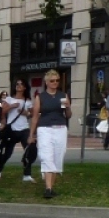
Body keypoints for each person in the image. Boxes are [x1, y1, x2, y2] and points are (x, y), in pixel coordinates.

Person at [29, 69, 71, 199]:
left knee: (58, 157)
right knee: (46, 156)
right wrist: (31, 134)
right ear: (46, 82)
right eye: (52, 81)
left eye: (57, 80)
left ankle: (51, 188)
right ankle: (47, 188)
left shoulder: (63, 96)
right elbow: (35, 117)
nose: (55, 83)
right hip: (45, 128)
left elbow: (68, 115)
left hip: (60, 128)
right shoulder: (40, 97)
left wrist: (68, 106)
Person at [0, 80, 32, 178]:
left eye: (21, 84)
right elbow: (2, 111)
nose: (19, 86)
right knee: (8, 152)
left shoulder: (28, 101)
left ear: (25, 87)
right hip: (11, 128)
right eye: (17, 84)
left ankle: (27, 174)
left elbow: (31, 114)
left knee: (28, 151)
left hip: (24, 128)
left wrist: (26, 113)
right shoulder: (9, 99)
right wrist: (12, 106)